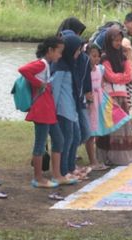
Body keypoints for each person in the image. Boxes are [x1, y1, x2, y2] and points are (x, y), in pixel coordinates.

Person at [18, 36, 71, 187]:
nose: (60, 56)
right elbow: (23, 70)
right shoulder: (41, 64)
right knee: (40, 144)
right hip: (41, 110)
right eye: (59, 52)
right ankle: (38, 178)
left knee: (58, 140)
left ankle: (57, 175)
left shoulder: (46, 65)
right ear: (50, 50)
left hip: (48, 110)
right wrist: (39, 83)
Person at [86, 44, 130, 171]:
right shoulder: (84, 71)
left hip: (100, 103)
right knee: (91, 132)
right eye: (93, 56)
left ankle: (96, 158)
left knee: (98, 130)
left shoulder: (100, 69)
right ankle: (92, 161)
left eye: (98, 56)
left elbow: (101, 86)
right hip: (90, 104)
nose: (96, 59)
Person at [96, 27, 132, 167]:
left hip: (122, 96)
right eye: (115, 41)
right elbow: (109, 76)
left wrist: (119, 78)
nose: (118, 43)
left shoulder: (123, 57)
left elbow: (129, 76)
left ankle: (121, 158)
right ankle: (107, 157)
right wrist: (121, 77)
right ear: (109, 41)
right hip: (109, 97)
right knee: (110, 127)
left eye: (120, 40)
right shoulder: (104, 57)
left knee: (122, 127)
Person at [51, 33, 84, 182]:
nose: (78, 54)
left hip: (71, 109)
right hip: (62, 110)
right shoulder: (60, 67)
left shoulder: (70, 65)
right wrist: (52, 112)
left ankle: (70, 167)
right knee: (66, 140)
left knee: (75, 137)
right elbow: (55, 91)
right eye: (77, 51)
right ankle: (63, 171)